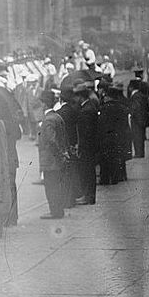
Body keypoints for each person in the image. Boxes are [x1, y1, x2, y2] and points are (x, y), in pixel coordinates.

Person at [37, 90, 69, 219]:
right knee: (57, 185)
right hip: (57, 159)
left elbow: (51, 140)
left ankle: (55, 211)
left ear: (44, 104)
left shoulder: (48, 120)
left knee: (51, 187)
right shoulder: (57, 117)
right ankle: (58, 210)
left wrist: (59, 154)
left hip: (50, 160)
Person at [98, 82, 131, 185]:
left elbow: (102, 124)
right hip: (119, 137)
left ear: (108, 96)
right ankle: (117, 177)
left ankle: (106, 179)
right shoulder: (121, 107)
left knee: (106, 159)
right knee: (117, 158)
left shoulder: (105, 108)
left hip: (107, 138)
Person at [74, 82, 100, 206]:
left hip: (87, 147)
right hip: (91, 146)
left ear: (81, 97)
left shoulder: (86, 111)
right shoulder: (90, 107)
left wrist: (81, 147)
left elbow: (86, 133)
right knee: (89, 172)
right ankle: (89, 196)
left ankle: (88, 196)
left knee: (87, 172)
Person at [128, 79, 149, 158]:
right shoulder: (141, 95)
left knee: (137, 136)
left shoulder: (135, 96)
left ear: (132, 87)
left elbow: (135, 107)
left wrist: (131, 113)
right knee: (140, 136)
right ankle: (140, 152)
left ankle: (139, 153)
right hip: (142, 118)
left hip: (137, 119)